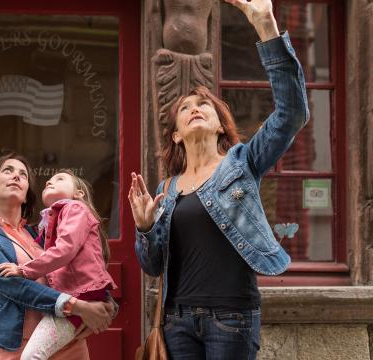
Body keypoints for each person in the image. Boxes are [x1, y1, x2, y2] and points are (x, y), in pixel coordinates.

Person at [128, 0, 309, 359]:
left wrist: (266, 28)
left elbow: (292, 113)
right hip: (177, 321)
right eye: (186, 107)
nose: (196, 107)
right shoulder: (167, 188)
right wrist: (146, 227)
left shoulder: (242, 163)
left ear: (220, 125)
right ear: (176, 134)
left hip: (232, 318)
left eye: (205, 104)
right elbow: (153, 266)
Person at [0, 153, 115, 359]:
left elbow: (82, 268)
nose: (16, 176)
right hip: (15, 347)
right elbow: (11, 284)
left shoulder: (42, 236)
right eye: (8, 171)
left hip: (67, 343)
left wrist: (106, 306)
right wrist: (77, 306)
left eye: (23, 175)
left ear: (26, 195)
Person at [0, 170, 117, 359]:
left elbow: (64, 250)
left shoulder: (75, 208)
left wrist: (24, 270)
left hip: (79, 295)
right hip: (72, 298)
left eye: (60, 179)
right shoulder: (51, 221)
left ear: (79, 194)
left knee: (32, 356)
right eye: (48, 181)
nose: (49, 182)